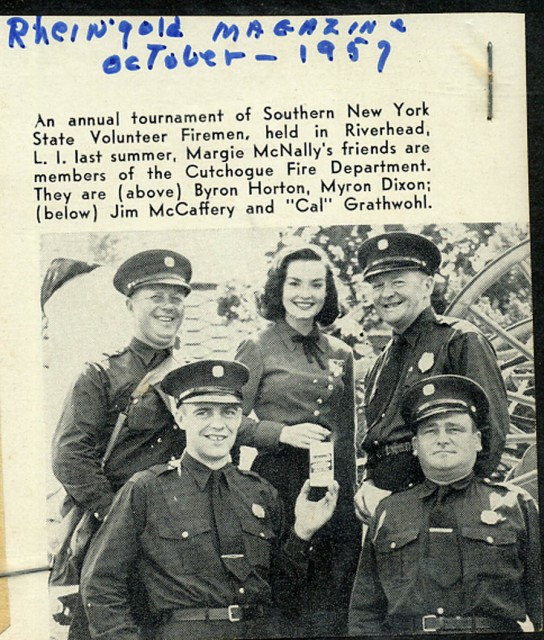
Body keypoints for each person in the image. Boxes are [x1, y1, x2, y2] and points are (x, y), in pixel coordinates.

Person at [81, 359, 339, 640]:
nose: (218, 424)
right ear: (180, 418)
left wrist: (302, 533)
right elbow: (101, 585)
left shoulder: (262, 493)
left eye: (229, 413)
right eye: (203, 412)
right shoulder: (146, 490)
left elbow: (281, 591)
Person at [51, 249, 193, 639]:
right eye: (156, 297)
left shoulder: (190, 377)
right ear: (130, 305)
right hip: (109, 535)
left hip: (173, 541)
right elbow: (70, 457)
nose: (168, 307)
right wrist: (119, 517)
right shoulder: (100, 373)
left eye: (177, 297)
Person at [348, 374, 542, 635]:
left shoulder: (516, 505)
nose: (442, 439)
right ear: (415, 445)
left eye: (454, 429)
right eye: (431, 431)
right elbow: (365, 613)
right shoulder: (389, 512)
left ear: (477, 440)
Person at [235, 244, 360, 636]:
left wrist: (350, 498)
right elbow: (228, 422)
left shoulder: (342, 352)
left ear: (327, 292)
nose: (305, 293)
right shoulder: (257, 346)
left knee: (332, 586)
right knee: (281, 585)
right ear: (279, 288)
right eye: (295, 283)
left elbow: (348, 432)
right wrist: (282, 433)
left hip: (331, 481)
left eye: (316, 284)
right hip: (276, 480)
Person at [353, 232, 510, 522]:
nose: (386, 293)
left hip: (440, 506)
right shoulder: (379, 365)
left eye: (398, 282)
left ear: (427, 285)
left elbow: (490, 434)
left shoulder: (460, 340)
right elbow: (375, 440)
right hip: (385, 508)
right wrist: (368, 485)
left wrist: (454, 505)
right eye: (377, 285)